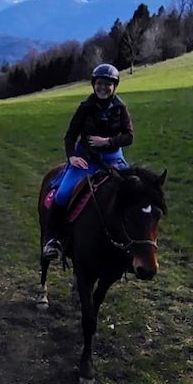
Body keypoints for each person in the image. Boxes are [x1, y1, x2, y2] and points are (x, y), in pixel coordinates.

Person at [42, 63, 134, 261]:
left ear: (114, 86)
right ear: (94, 85)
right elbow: (70, 136)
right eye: (99, 83)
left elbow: (129, 136)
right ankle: (51, 240)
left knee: (133, 191)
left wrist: (108, 141)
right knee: (63, 192)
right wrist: (72, 157)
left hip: (114, 159)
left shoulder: (121, 108)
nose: (103, 88)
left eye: (108, 84)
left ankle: (132, 242)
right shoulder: (85, 108)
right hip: (85, 158)